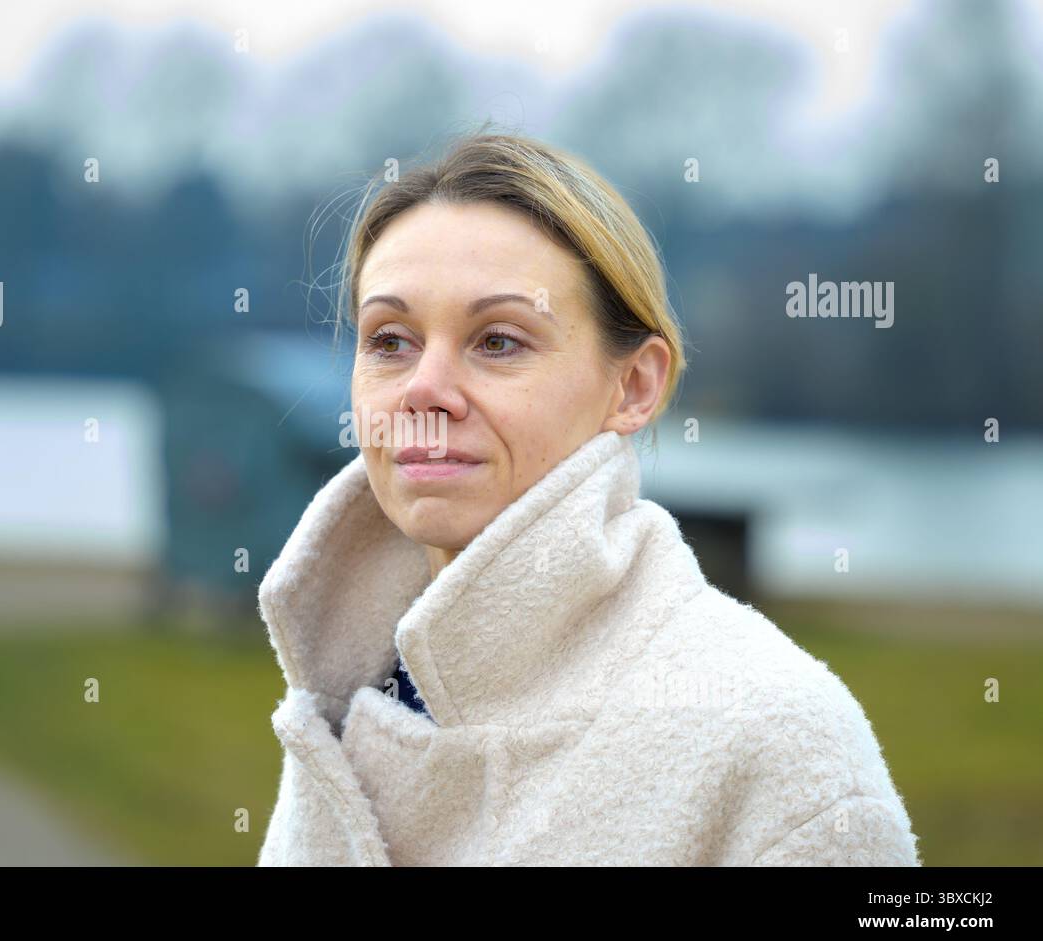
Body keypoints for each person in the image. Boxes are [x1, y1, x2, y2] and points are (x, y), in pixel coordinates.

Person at [255, 129, 920, 866]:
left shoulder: (774, 742)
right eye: (389, 340)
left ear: (634, 386)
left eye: (498, 341)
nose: (424, 392)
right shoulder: (340, 698)